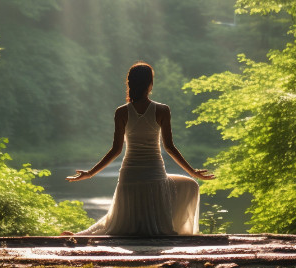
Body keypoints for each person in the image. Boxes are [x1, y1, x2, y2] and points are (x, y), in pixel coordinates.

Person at [63, 61, 214, 236]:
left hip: (129, 176)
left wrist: (90, 173)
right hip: (155, 175)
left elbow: (116, 150)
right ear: (150, 84)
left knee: (116, 224)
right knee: (191, 185)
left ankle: (79, 236)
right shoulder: (162, 110)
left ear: (130, 84)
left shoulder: (121, 112)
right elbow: (170, 148)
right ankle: (181, 230)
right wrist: (193, 172)